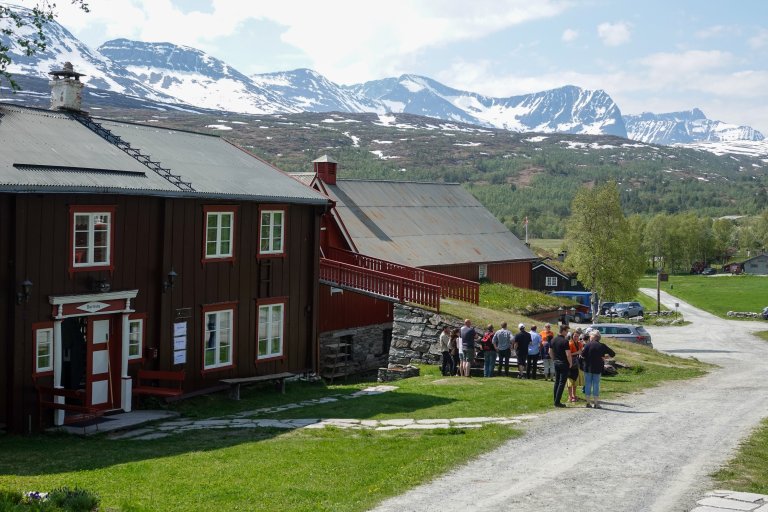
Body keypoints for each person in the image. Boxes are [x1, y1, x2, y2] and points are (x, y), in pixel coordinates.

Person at [581, 331, 615, 409]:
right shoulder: (602, 346)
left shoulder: (587, 345)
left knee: (588, 384)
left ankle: (588, 403)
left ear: (593, 337)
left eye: (590, 336)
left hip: (588, 368)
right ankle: (596, 403)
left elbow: (582, 356)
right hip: (597, 368)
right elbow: (613, 354)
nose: (589, 337)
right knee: (596, 385)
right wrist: (605, 357)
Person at [549, 324, 572, 407]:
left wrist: (554, 359)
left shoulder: (553, 340)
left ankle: (555, 400)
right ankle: (557, 402)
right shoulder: (565, 341)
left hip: (556, 362)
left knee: (557, 382)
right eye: (566, 331)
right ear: (563, 331)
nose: (567, 332)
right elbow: (568, 354)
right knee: (562, 382)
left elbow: (550, 352)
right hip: (563, 363)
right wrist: (570, 363)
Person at [566, 328, 585, 403]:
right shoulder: (570, 343)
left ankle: (574, 395)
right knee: (570, 381)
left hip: (577, 363)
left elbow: (581, 352)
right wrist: (577, 352)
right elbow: (568, 354)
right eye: (575, 336)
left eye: (577, 336)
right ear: (572, 336)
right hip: (571, 363)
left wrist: (580, 352)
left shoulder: (580, 343)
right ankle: (570, 396)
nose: (576, 337)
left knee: (575, 381)